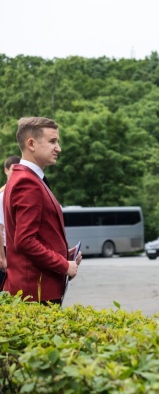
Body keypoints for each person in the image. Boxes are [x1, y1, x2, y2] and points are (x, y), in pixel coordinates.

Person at [3, 117, 81, 304]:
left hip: (35, 290)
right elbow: (25, 241)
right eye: (52, 141)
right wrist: (63, 265)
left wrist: (63, 253)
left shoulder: (26, 178)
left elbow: (35, 235)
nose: (58, 148)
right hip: (35, 293)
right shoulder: (27, 182)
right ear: (31, 144)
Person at [0, 155, 21, 289]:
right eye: (13, 169)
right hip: (5, 250)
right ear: (6, 170)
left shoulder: (20, 193)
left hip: (18, 249)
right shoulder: (2, 195)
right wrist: (2, 257)